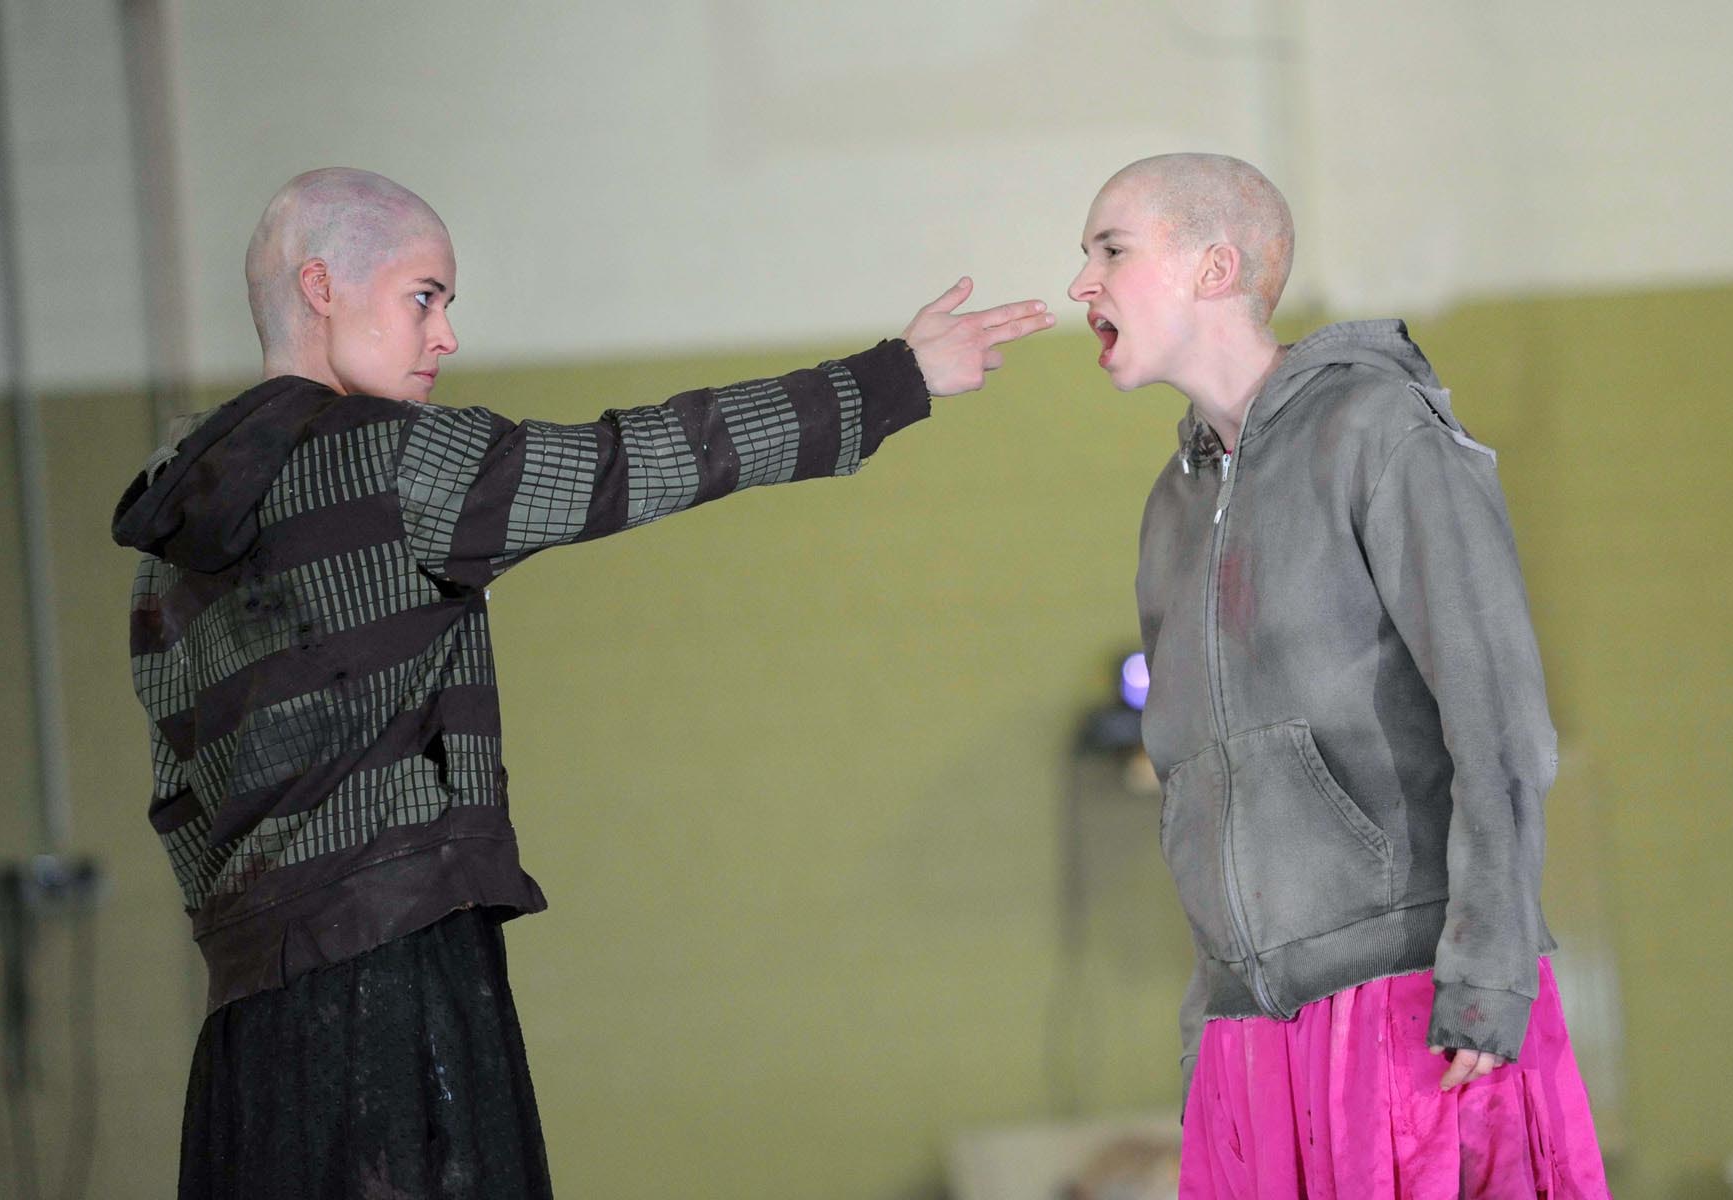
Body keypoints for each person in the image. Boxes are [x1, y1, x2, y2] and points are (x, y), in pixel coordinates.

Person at [113, 167, 1055, 1199]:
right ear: (321, 286)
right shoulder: (393, 459)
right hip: (394, 991)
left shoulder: (170, 531)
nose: (445, 337)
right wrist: (892, 380)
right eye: (424, 297)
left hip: (246, 1038)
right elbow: (633, 461)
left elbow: (179, 800)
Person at [1068, 153, 1610, 1198]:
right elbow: (1192, 782)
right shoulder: (1172, 505)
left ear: (1215, 267)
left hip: (1411, 1001)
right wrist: (1208, 1030)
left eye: (1111, 250)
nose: (1082, 283)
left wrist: (1490, 974)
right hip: (1249, 1032)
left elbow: (1499, 723)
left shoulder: (1378, 429)